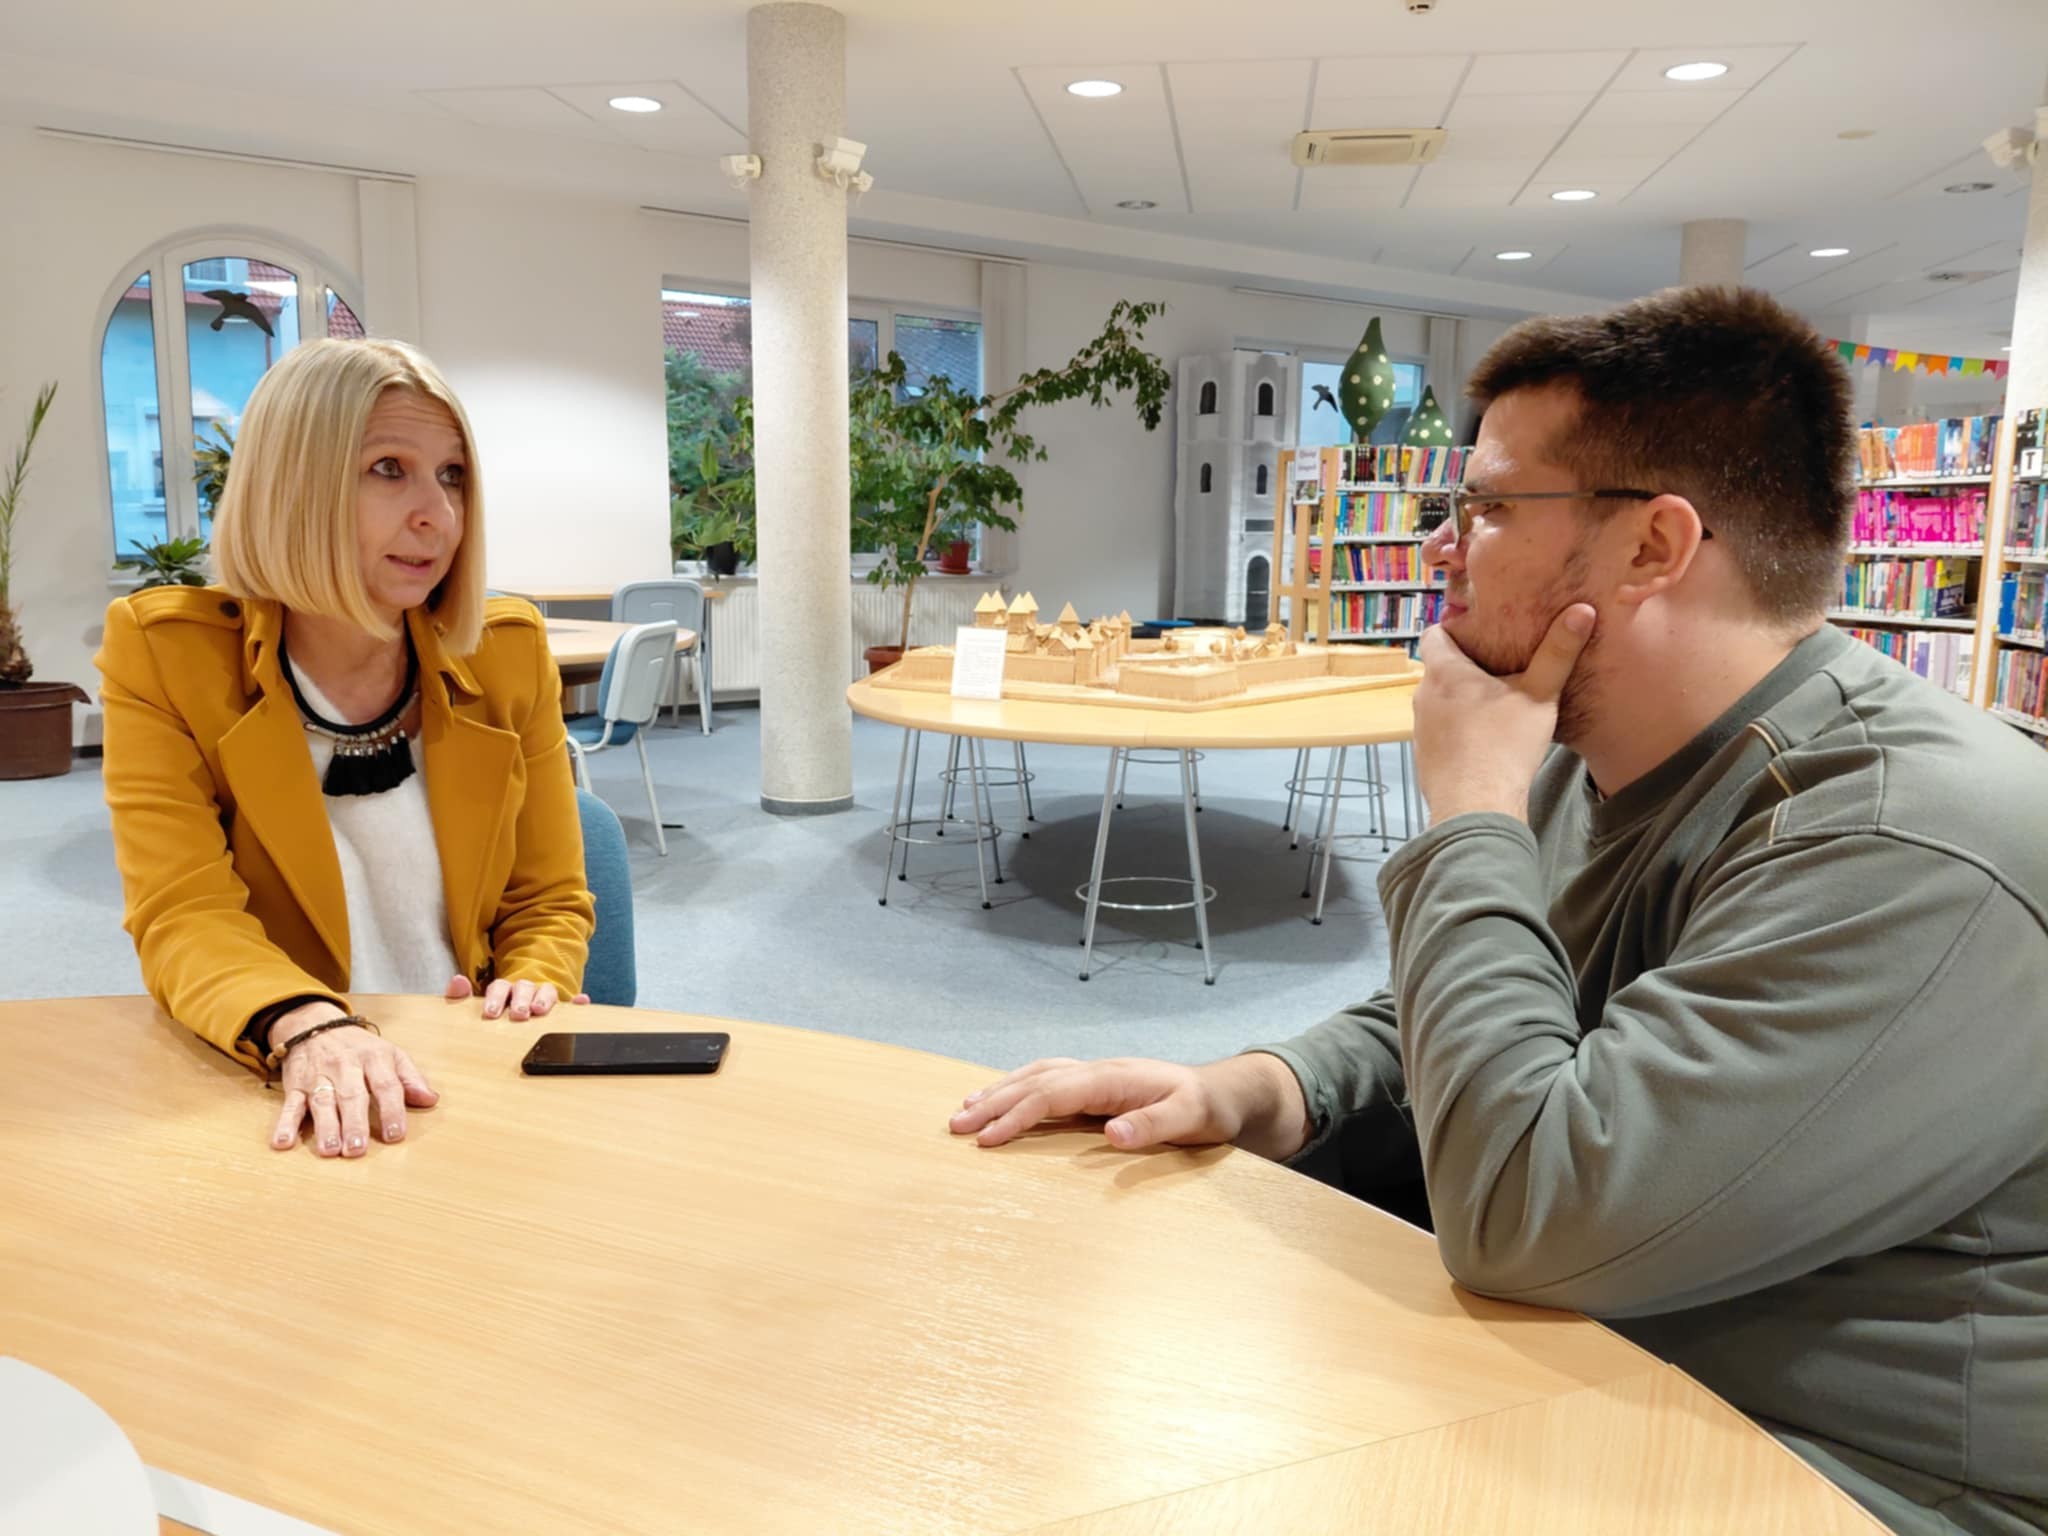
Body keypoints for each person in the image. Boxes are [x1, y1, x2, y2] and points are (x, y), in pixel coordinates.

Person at [948, 287, 2047, 1536]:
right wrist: (1261, 1088)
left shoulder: (1908, 843)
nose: (1438, 547)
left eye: (1482, 508)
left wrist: (1471, 801)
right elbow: (1486, 1015)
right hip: (1608, 1366)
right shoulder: (1602, 749)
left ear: (1652, 546)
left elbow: (1531, 1215)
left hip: (1836, 1476)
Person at [97, 338, 594, 1161]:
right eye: (388, 469)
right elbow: (183, 913)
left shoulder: (506, 653)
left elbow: (548, 899)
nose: (438, 515)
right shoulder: (169, 657)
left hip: (472, 1070)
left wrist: (532, 983)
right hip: (286, 1076)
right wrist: (307, 1023)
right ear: (295, 487)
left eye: (452, 475)